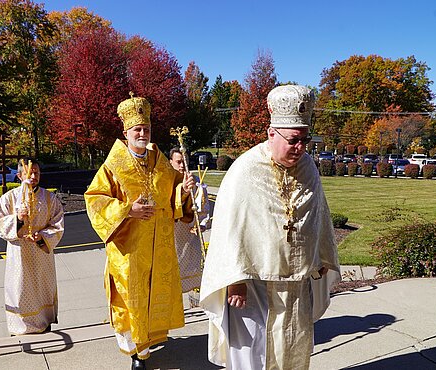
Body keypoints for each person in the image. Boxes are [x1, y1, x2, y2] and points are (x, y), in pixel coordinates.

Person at [199, 85, 341, 370]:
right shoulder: (245, 170)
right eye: (293, 140)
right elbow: (230, 228)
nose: (300, 148)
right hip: (253, 283)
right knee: (255, 354)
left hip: (297, 285)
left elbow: (318, 213)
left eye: (305, 140)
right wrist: (234, 280)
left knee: (293, 346)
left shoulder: (308, 167)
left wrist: (321, 255)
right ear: (271, 133)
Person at [85, 94, 195, 370]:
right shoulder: (113, 165)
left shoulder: (161, 163)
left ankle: (147, 343)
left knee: (153, 296)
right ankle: (137, 353)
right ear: (126, 133)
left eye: (146, 129)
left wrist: (185, 189)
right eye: (137, 130)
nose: (142, 134)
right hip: (129, 248)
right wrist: (126, 210)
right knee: (132, 300)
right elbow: (95, 198)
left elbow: (174, 197)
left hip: (158, 247)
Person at [0, 158, 64, 336]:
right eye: (29, 172)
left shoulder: (49, 198)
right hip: (19, 253)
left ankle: (45, 323)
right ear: (19, 175)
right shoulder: (9, 198)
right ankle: (21, 328)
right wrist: (17, 219)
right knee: (20, 288)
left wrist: (42, 236)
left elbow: (58, 223)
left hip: (41, 253)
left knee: (42, 288)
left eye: (36, 172)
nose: (33, 176)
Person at [169, 147, 210, 293]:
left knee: (193, 272)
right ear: (171, 162)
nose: (182, 165)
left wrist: (202, 224)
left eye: (184, 162)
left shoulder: (197, 180)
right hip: (173, 235)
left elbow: (204, 207)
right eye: (178, 162)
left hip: (191, 235)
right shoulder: (168, 181)